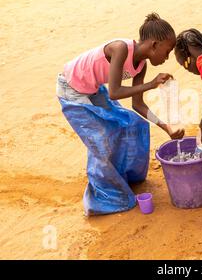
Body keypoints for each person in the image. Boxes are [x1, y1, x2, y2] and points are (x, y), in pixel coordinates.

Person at [56, 13, 184, 216]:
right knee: (102, 140)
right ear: (154, 45)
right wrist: (151, 84)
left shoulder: (142, 65)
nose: (166, 57)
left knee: (134, 125)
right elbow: (115, 92)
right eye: (167, 52)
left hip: (93, 89)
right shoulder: (121, 49)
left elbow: (137, 104)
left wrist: (166, 127)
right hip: (71, 89)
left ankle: (126, 177)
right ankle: (104, 199)